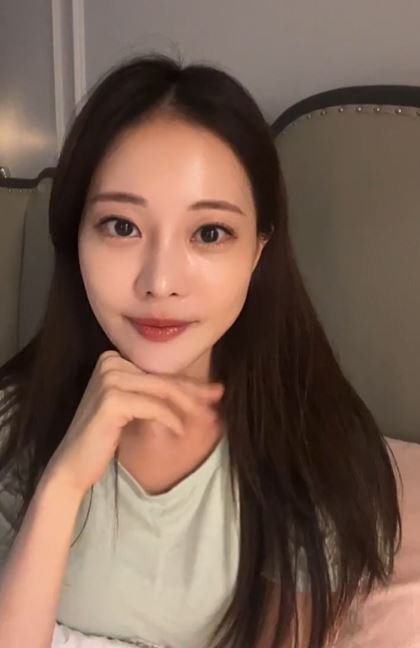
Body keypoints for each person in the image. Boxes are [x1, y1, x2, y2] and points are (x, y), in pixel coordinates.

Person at [0, 52, 401, 648]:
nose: (160, 282)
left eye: (210, 233)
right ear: (74, 235)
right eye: (121, 226)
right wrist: (61, 486)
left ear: (259, 249)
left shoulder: (319, 457)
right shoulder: (14, 426)